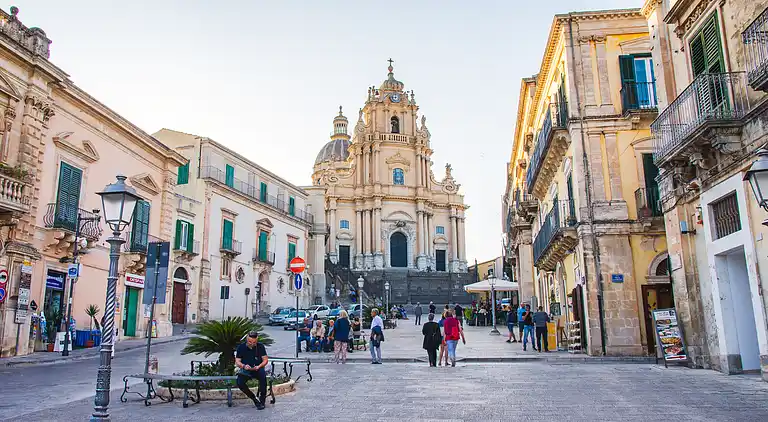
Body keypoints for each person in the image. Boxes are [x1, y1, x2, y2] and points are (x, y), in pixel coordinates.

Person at [235, 331, 269, 409]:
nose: (252, 343)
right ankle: (254, 399)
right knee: (240, 383)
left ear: (256, 340)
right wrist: (243, 366)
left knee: (263, 379)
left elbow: (265, 360)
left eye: (254, 342)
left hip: (258, 368)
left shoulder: (260, 346)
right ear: (247, 339)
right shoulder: (241, 347)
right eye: (250, 341)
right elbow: (237, 361)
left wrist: (259, 366)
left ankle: (262, 400)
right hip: (246, 370)